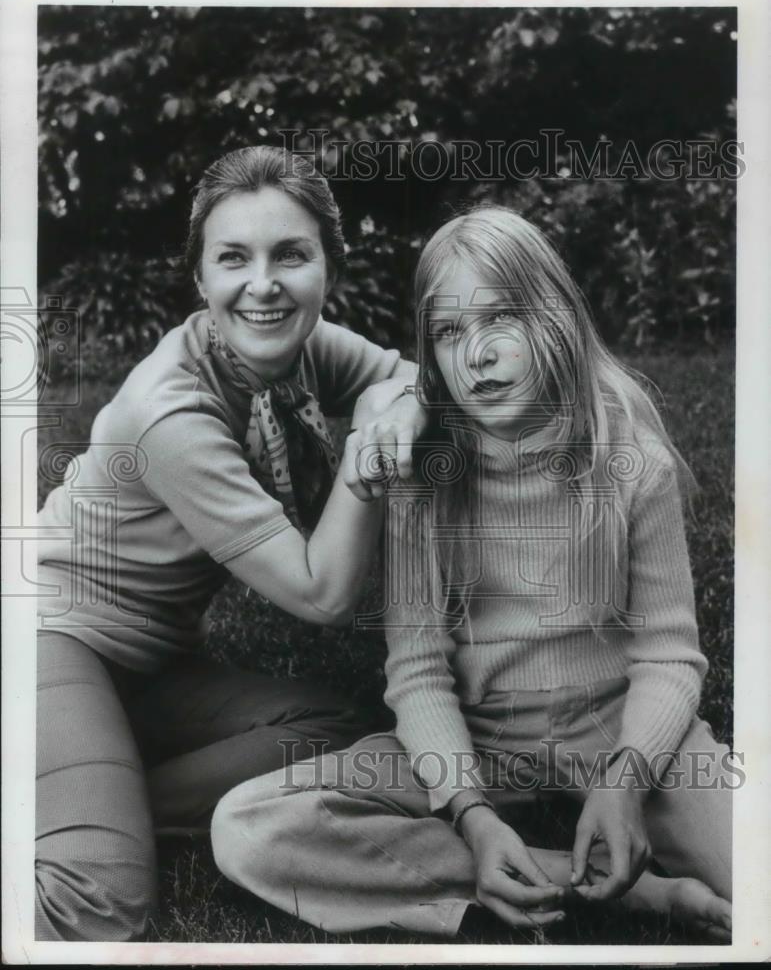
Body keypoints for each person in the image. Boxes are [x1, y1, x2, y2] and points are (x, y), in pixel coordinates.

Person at [211, 206, 733, 941]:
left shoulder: (630, 462)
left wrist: (625, 780)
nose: (476, 354)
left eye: (500, 319)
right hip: (477, 742)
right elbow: (419, 673)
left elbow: (669, 654)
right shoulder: (422, 475)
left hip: (619, 731)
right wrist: (471, 813)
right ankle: (606, 886)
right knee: (250, 826)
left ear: (554, 318)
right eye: (449, 333)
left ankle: (611, 828)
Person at [35, 145, 427, 941]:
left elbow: (412, 375)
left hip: (145, 662)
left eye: (291, 255)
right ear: (201, 280)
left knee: (334, 729)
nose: (263, 284)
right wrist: (364, 457)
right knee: (99, 899)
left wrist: (394, 405)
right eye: (233, 258)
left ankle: (82, 797)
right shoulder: (169, 412)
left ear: (327, 268)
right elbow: (321, 592)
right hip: (45, 637)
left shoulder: (305, 347)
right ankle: (81, 819)